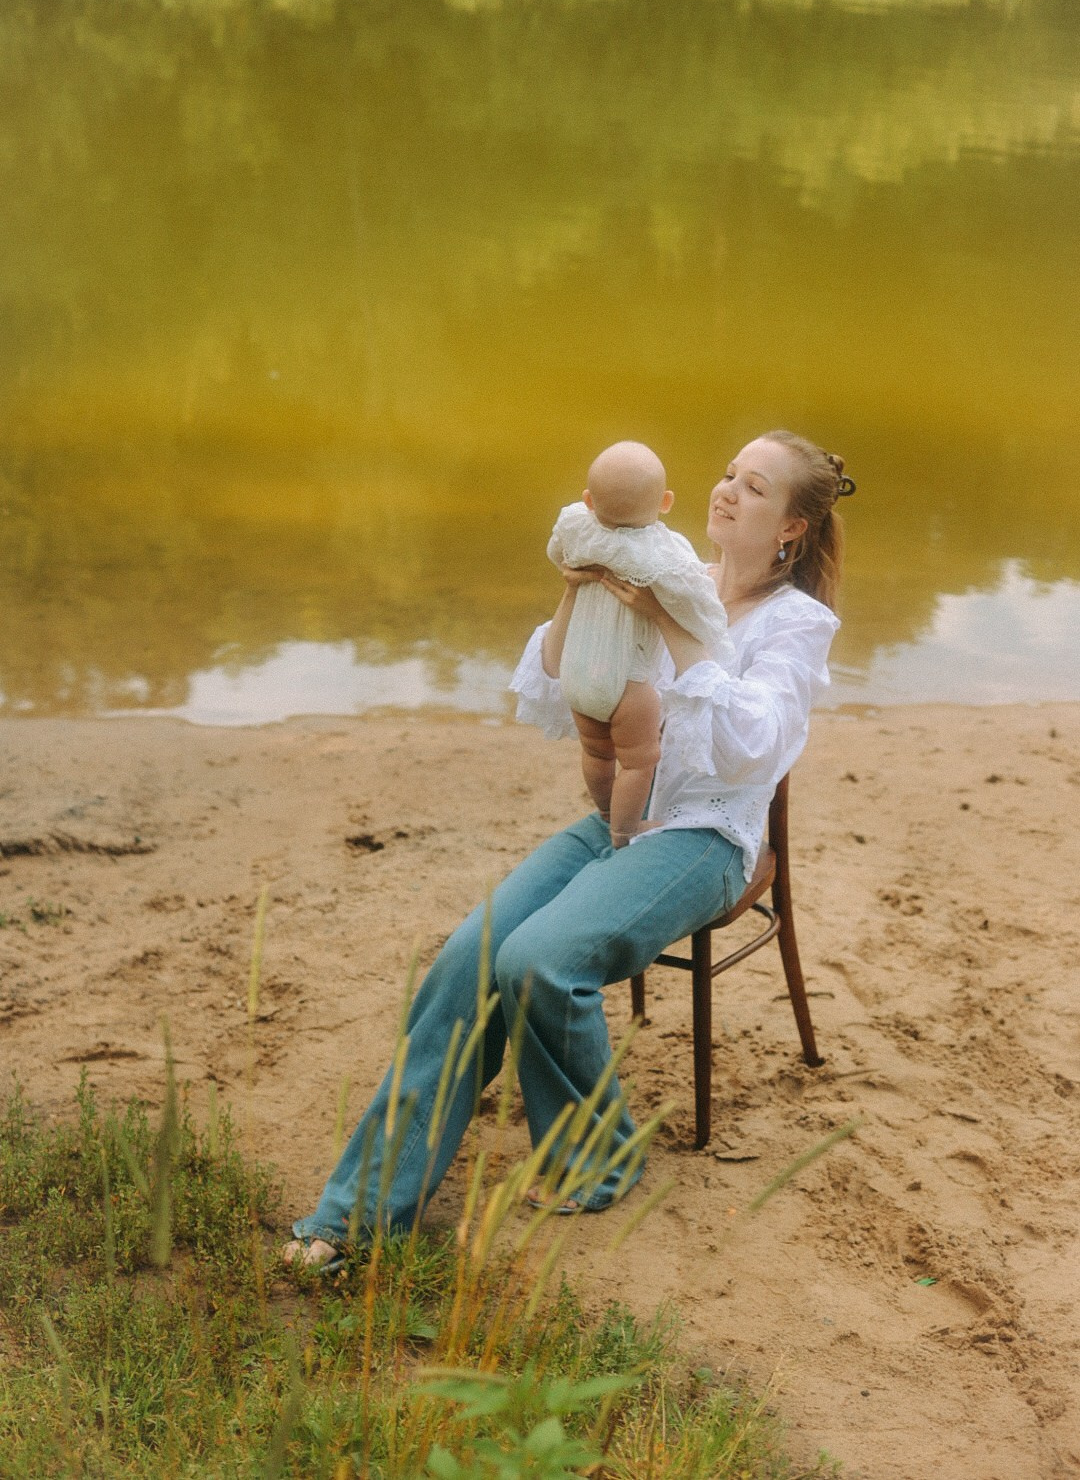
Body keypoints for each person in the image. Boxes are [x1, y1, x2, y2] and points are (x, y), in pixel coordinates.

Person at [283, 430, 855, 1272]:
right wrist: (576, 593)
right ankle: (356, 1215)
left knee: (542, 961)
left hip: (709, 837)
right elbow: (561, 681)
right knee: (468, 959)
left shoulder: (796, 624)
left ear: (791, 529)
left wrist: (671, 623)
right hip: (620, 818)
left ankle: (598, 1158)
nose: (727, 490)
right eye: (727, 471)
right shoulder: (669, 569)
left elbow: (751, 750)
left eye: (756, 487)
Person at [548, 440, 732, 846]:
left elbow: (555, 553)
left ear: (588, 500)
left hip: (577, 672)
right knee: (638, 763)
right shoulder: (663, 551)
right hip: (627, 681)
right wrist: (710, 603)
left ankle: (604, 811)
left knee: (597, 752)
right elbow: (692, 598)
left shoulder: (578, 528)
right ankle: (625, 830)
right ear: (665, 501)